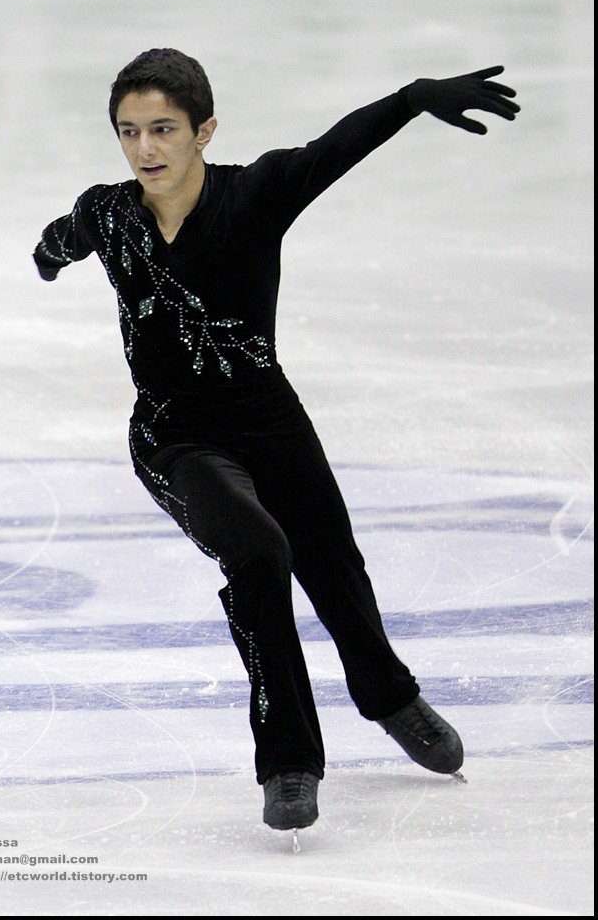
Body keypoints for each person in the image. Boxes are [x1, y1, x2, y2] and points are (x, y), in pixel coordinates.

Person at [33, 49, 519, 833]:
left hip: (270, 420)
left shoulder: (255, 193)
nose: (144, 149)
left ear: (203, 130)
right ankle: (289, 761)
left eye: (162, 129)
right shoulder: (111, 211)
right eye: (128, 132)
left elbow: (337, 147)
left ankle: (388, 697)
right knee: (259, 555)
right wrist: (50, 257)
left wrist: (412, 96)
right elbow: (65, 234)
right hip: (174, 437)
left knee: (332, 560)